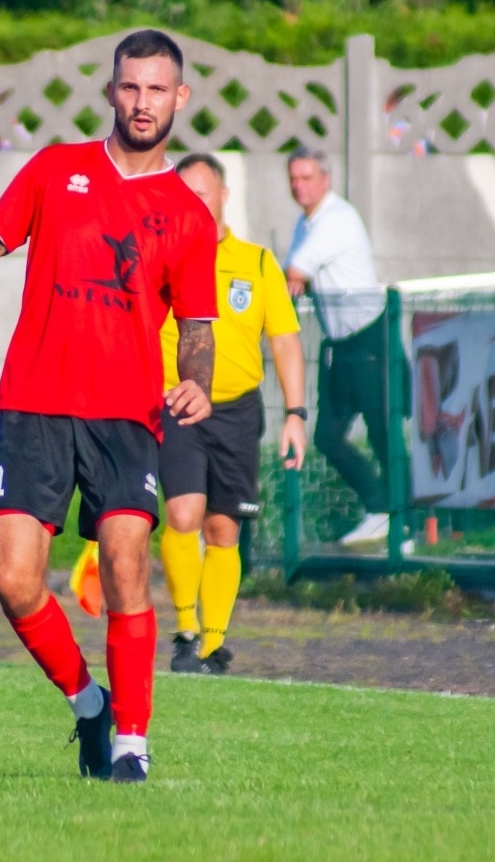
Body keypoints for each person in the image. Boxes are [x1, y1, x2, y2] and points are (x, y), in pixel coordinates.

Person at [0, 30, 219, 785]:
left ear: (180, 97)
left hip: (126, 416)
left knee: (125, 562)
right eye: (130, 86)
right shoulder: (56, 170)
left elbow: (198, 326)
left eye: (157, 89)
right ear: (111, 91)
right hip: (35, 404)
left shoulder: (188, 214)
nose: (142, 102)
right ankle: (90, 706)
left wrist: (197, 380)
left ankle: (131, 745)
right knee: (13, 576)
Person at [157, 154, 307, 673]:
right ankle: (185, 632)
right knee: (183, 515)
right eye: (184, 195)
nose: (194, 203)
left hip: (238, 411)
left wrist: (295, 413)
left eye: (203, 193)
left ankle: (213, 643)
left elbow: (284, 340)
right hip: (177, 404)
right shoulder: (158, 258)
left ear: (223, 196)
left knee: (223, 529)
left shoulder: (257, 263)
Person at [283, 147, 393, 548]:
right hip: (340, 344)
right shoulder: (305, 223)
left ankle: (403, 523)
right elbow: (295, 278)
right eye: (294, 179)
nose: (299, 186)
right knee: (327, 437)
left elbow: (296, 271)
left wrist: (294, 279)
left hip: (369, 336)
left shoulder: (337, 218)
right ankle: (380, 509)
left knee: (384, 434)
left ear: (326, 180)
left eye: (307, 177)